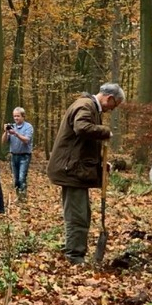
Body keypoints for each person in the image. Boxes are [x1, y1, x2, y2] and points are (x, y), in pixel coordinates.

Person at [46, 83, 124, 263]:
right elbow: (81, 128)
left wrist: (101, 164)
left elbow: (82, 145)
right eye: (115, 105)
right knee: (77, 216)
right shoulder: (85, 106)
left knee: (82, 214)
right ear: (109, 98)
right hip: (71, 171)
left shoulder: (91, 108)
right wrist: (106, 132)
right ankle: (74, 256)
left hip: (75, 170)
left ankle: (74, 251)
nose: (112, 110)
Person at [2, 107, 34, 196]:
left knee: (21, 178)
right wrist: (6, 131)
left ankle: (23, 196)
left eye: (18, 116)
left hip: (25, 156)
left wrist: (15, 134)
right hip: (13, 156)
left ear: (23, 116)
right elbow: (3, 141)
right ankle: (18, 196)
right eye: (14, 116)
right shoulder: (12, 127)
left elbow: (26, 140)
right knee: (16, 179)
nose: (16, 118)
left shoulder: (28, 127)